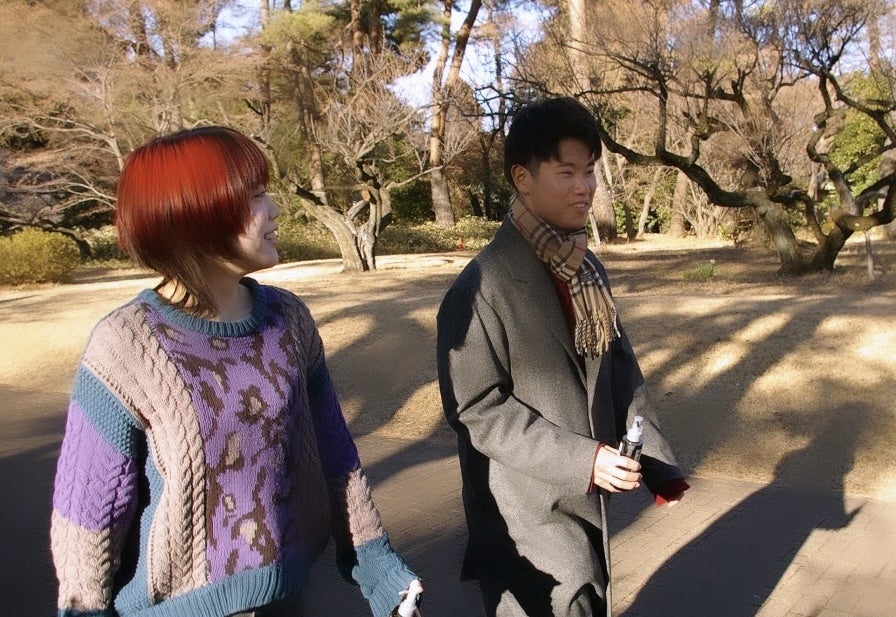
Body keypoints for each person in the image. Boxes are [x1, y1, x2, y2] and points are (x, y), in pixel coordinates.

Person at [50, 126, 422, 617]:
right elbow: (89, 513)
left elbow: (334, 453)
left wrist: (376, 565)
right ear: (196, 214)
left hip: (284, 598)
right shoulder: (125, 344)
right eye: (255, 197)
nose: (275, 210)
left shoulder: (288, 320)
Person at [436, 97, 689, 617]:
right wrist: (584, 460)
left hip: (584, 498)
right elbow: (477, 410)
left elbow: (620, 367)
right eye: (567, 172)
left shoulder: (585, 269)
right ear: (522, 178)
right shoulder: (479, 287)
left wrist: (659, 464)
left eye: (590, 170)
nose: (585, 187)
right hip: (523, 509)